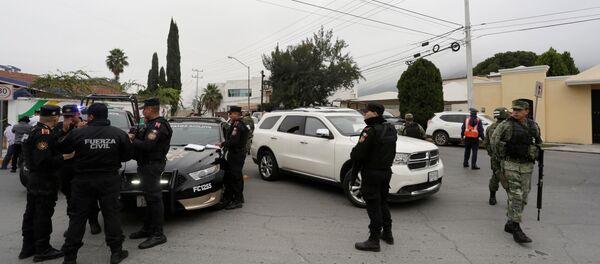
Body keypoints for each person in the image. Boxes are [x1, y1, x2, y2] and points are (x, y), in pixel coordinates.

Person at [60, 103, 133, 264]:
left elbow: (63, 148)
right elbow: (128, 155)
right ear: (106, 116)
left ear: (91, 116)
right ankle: (116, 252)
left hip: (82, 180)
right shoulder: (119, 134)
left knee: (77, 218)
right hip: (109, 179)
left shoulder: (78, 133)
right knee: (111, 215)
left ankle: (70, 257)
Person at [19, 105, 72, 262]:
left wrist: (63, 131)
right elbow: (43, 161)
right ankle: (43, 249)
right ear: (55, 118)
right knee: (42, 215)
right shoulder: (44, 134)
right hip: (44, 180)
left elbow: (50, 145)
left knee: (31, 214)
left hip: (34, 180)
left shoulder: (35, 130)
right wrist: (64, 157)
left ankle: (28, 247)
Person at [491, 100, 542, 244]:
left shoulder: (533, 126)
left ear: (527, 111)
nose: (515, 112)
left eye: (519, 110)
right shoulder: (505, 125)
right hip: (510, 164)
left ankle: (510, 223)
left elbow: (538, 142)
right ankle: (517, 228)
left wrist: (537, 153)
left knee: (524, 196)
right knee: (516, 195)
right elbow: (494, 142)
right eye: (514, 109)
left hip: (527, 166)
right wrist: (501, 160)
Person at [351, 102, 397, 252]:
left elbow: (357, 154)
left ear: (375, 113)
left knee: (373, 206)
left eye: (367, 111)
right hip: (386, 172)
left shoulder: (369, 130)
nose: (364, 113)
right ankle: (388, 234)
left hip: (372, 173)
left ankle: (373, 240)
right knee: (383, 203)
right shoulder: (390, 128)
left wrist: (354, 152)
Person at [128, 98, 172, 249]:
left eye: (144, 109)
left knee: (154, 199)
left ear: (151, 109)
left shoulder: (158, 125)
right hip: (145, 165)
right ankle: (148, 228)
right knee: (148, 198)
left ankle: (158, 234)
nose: (142, 111)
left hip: (152, 166)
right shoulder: (149, 124)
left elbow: (147, 146)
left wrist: (132, 139)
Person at [54, 104, 101, 235]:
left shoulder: (88, 126)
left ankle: (93, 221)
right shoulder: (60, 128)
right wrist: (64, 130)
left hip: (84, 167)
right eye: (66, 116)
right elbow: (55, 145)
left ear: (78, 115)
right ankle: (72, 225)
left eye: (72, 116)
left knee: (91, 197)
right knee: (71, 199)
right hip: (67, 169)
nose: (69, 119)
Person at [220, 106, 249, 210]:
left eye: (231, 113)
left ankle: (237, 201)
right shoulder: (237, 124)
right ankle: (239, 198)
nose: (230, 115)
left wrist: (222, 144)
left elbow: (233, 141)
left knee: (234, 177)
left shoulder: (237, 126)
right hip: (238, 153)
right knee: (238, 176)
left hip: (236, 154)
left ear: (236, 114)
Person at [484, 107, 510, 205]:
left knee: (495, 176)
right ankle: (510, 199)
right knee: (509, 177)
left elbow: (486, 143)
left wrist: (491, 153)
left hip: (494, 157)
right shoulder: (507, 127)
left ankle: (492, 197)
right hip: (506, 158)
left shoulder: (490, 128)